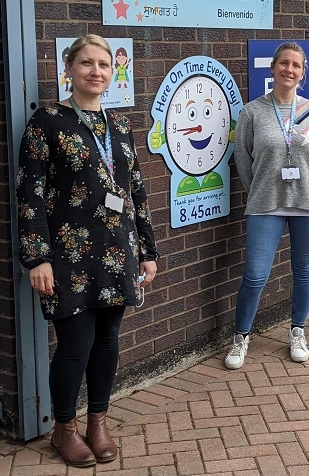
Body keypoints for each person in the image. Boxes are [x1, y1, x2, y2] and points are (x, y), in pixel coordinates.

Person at [17, 34, 159, 467]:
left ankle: (98, 421)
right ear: (69, 69)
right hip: (68, 257)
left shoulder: (120, 125)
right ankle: (64, 429)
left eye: (103, 64)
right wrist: (37, 256)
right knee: (74, 345)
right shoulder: (48, 121)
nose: (96, 71)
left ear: (112, 72)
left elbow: (136, 191)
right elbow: (31, 194)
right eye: (86, 63)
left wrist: (148, 251)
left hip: (118, 252)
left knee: (108, 341)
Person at [224, 43, 309, 370]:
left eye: (296, 65)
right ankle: (241, 337)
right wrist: (260, 188)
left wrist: (306, 186)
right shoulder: (252, 112)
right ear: (272, 69)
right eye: (283, 63)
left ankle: (297, 331)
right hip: (265, 202)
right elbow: (242, 159)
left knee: (304, 270)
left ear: (303, 72)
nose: (289, 69)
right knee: (255, 275)